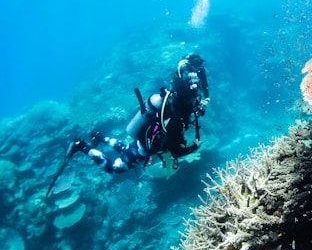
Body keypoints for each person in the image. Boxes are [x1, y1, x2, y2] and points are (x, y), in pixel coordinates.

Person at [69, 54, 210, 175]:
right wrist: (194, 147)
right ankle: (81, 146)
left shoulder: (171, 107)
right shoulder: (176, 122)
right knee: (114, 168)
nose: (195, 105)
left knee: (125, 149)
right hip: (142, 148)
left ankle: (99, 137)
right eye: (194, 102)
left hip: (143, 140)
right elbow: (176, 151)